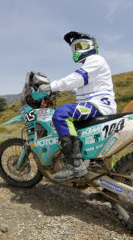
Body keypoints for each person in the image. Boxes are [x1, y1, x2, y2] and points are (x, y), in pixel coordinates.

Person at [38, 31, 117, 181]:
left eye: (80, 45)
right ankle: (111, 190)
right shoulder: (90, 65)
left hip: (98, 105)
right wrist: (58, 90)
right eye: (74, 47)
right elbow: (77, 86)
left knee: (61, 114)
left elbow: (77, 78)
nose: (77, 50)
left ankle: (74, 164)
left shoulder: (95, 59)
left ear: (92, 46)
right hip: (96, 105)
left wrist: (51, 86)